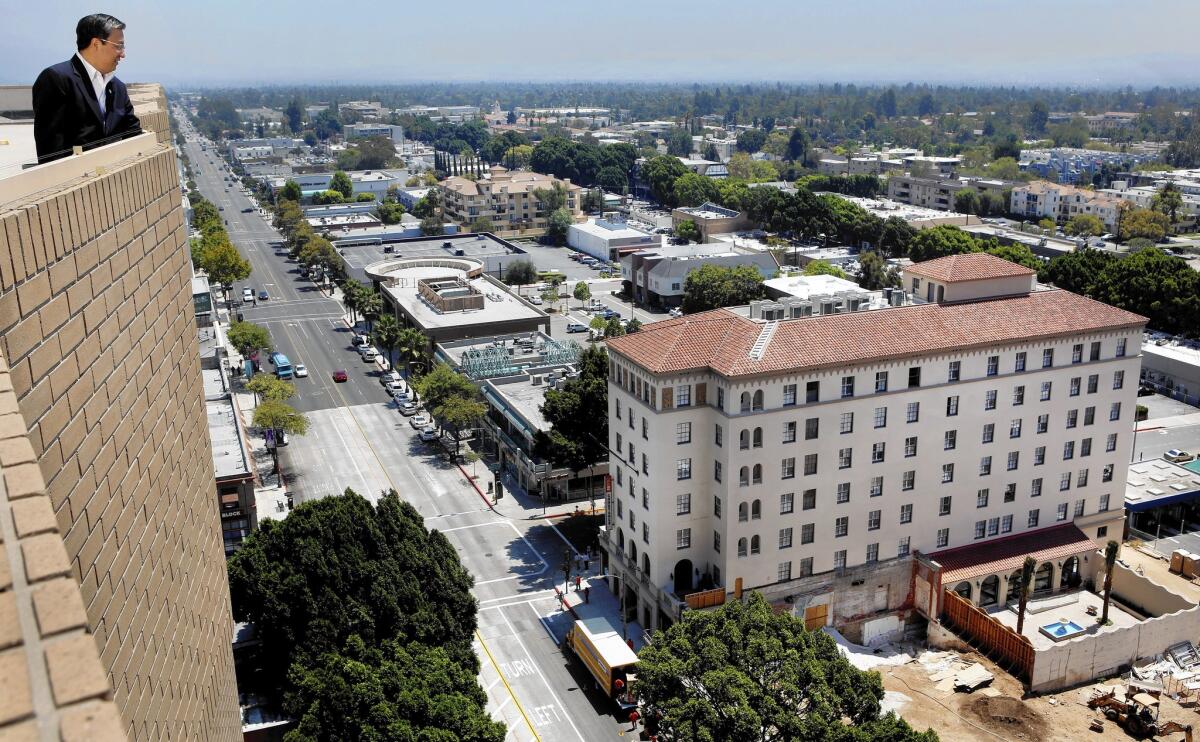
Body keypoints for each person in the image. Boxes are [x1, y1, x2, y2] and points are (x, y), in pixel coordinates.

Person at [33, 14, 142, 164]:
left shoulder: (118, 88)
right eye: (118, 46)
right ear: (96, 44)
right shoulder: (56, 79)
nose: (123, 54)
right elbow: (51, 152)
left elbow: (134, 136)